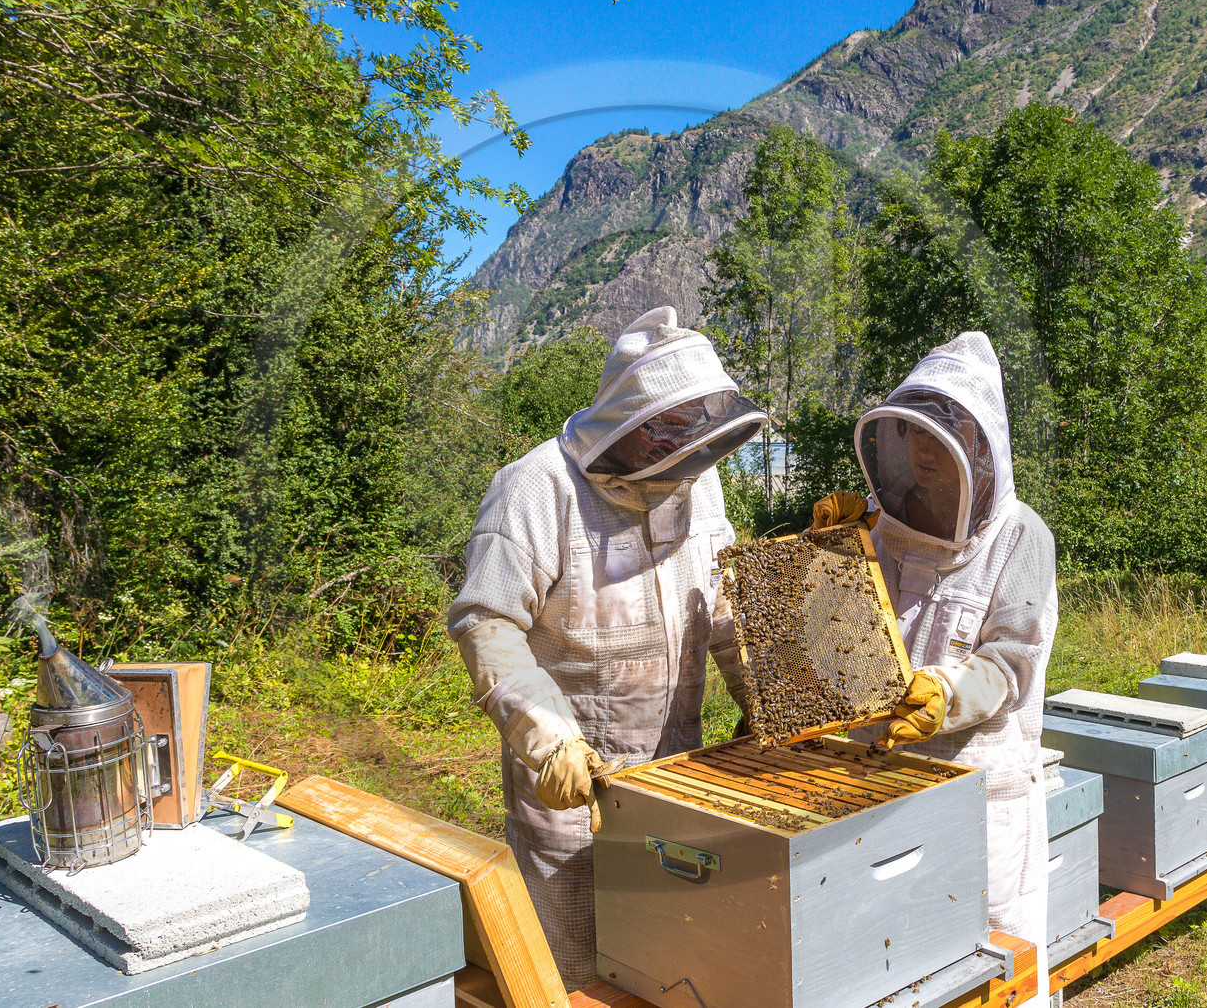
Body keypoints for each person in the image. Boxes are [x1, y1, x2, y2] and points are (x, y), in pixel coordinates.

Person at [447, 307, 767, 989]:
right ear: (635, 424)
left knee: (673, 970)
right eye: (673, 443)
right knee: (576, 976)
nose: (689, 463)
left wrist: (767, 701)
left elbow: (728, 611)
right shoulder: (535, 488)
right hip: (572, 795)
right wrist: (547, 738)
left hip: (680, 783)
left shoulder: (698, 484)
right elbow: (486, 622)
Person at [814, 331, 1056, 1006]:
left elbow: (1009, 660)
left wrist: (940, 695)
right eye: (914, 435)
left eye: (943, 437)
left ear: (981, 445)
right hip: (879, 782)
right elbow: (834, 640)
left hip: (980, 790)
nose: (923, 453)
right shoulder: (882, 527)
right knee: (894, 963)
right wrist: (828, 553)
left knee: (991, 968)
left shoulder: (1021, 538)